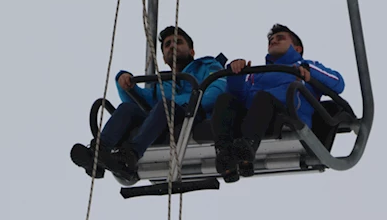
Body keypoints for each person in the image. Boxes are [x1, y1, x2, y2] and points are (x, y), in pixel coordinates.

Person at [70, 26, 227, 180]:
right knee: (127, 108)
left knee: (165, 106)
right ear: (164, 58)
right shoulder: (162, 82)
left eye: (178, 42)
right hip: (162, 118)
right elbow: (143, 101)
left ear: (192, 51)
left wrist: (182, 103)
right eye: (167, 45)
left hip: (194, 115)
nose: (172, 46)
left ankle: (131, 156)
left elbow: (215, 90)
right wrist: (124, 82)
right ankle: (98, 154)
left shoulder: (207, 66)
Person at [210, 24, 344, 182]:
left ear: (297, 48)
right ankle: (224, 154)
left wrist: (309, 72)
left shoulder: (305, 66)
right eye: (271, 40)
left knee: (263, 98)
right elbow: (239, 97)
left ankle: (248, 146)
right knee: (225, 100)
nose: (273, 41)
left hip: (287, 115)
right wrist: (236, 74)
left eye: (280, 38)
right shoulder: (257, 74)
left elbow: (338, 83)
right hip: (256, 117)